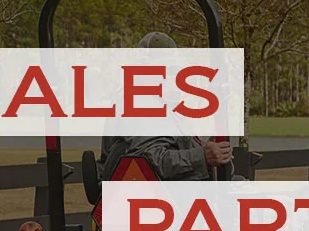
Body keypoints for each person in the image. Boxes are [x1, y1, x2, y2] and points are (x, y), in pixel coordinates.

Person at [96, 32, 233, 182]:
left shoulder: (164, 107)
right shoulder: (138, 104)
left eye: (173, 70)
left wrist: (207, 149)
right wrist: (203, 156)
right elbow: (152, 161)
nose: (170, 76)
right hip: (149, 197)